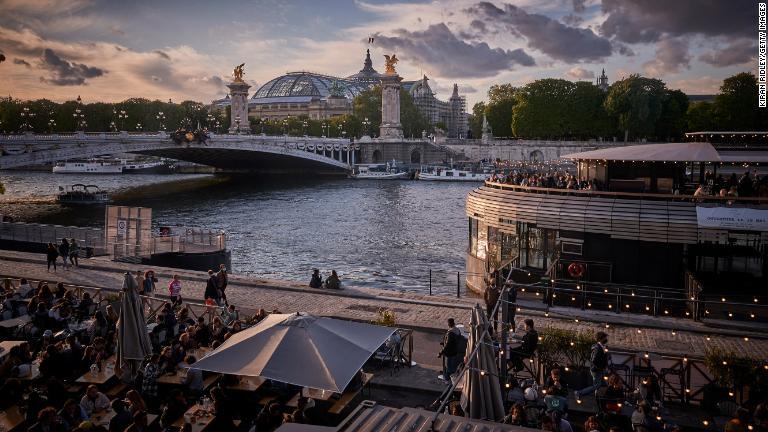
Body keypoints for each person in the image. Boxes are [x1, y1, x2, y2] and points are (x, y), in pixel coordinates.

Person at [575, 332, 610, 401]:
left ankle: (598, 397)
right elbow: (594, 360)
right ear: (601, 339)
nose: (606, 339)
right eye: (605, 338)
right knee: (597, 385)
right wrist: (600, 367)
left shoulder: (601, 347)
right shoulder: (597, 348)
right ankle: (579, 393)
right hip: (597, 369)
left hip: (599, 369)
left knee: (602, 384)